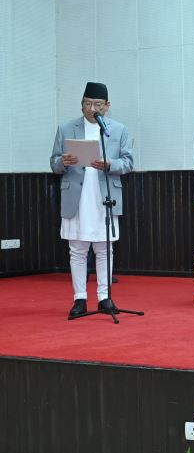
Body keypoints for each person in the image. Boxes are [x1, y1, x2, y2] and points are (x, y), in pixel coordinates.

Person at [50, 82, 134, 318]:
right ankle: (79, 299)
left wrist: (110, 164)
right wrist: (62, 162)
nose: (92, 108)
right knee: (76, 249)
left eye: (97, 104)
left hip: (104, 196)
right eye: (88, 103)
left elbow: (128, 162)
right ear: (82, 104)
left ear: (107, 106)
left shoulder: (117, 130)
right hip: (76, 196)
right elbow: (54, 162)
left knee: (104, 248)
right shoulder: (66, 128)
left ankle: (104, 297)